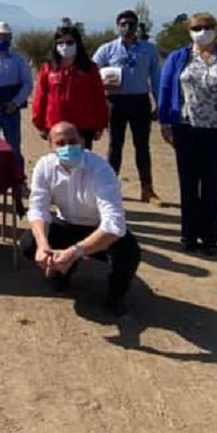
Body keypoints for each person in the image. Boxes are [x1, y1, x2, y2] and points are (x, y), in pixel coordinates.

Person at [21, 121, 141, 316]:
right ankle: (61, 271)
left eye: (72, 141)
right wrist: (43, 245)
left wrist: (75, 252)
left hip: (97, 229)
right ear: (51, 147)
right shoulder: (44, 166)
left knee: (129, 252)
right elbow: (38, 209)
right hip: (66, 224)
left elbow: (114, 224)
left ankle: (116, 295)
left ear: (83, 142)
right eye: (60, 143)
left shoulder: (101, 169)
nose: (68, 147)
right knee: (29, 243)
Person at [157, 12, 217, 255]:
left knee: (212, 187)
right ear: (189, 31)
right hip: (186, 129)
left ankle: (210, 239)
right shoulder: (178, 58)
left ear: (215, 29)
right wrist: (165, 123)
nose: (203, 32)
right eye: (197, 28)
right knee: (188, 186)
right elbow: (165, 89)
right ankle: (188, 236)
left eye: (207, 27)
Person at [93, 9, 163, 204]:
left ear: (137, 26)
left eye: (131, 23)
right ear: (118, 26)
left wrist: (159, 103)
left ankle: (147, 189)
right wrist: (102, 84)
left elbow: (156, 77)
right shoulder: (107, 49)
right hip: (115, 102)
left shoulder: (149, 49)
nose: (127, 27)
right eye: (123, 24)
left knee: (142, 146)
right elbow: (91, 71)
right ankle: (110, 187)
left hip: (140, 101)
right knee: (115, 146)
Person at [31, 25, 109, 149]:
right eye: (60, 43)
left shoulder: (90, 68)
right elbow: (40, 97)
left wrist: (101, 124)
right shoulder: (48, 68)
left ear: (77, 43)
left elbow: (99, 97)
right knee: (59, 159)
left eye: (69, 42)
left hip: (84, 125)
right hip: (56, 126)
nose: (65, 46)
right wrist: (39, 124)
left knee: (83, 160)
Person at [0, 21, 34, 183]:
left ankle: (18, 179)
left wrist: (15, 102)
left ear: (11, 38)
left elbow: (27, 84)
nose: (2, 40)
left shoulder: (18, 60)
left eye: (6, 37)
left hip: (11, 108)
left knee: (13, 145)